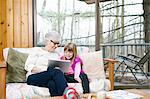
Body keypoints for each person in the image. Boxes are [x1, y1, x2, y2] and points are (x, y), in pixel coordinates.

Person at [24, 32, 68, 97]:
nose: (56, 46)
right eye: (54, 43)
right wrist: (46, 71)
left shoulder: (56, 54)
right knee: (56, 72)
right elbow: (28, 66)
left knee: (52, 84)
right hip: (33, 77)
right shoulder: (37, 50)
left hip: (49, 78)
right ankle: (67, 93)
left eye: (58, 44)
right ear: (47, 41)